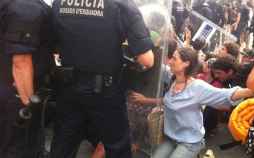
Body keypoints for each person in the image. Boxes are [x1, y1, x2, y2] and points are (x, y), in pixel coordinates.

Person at [50, 0, 155, 158]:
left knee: (63, 144)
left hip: (68, 87)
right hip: (105, 92)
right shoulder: (122, 5)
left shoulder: (59, 3)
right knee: (117, 146)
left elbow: (54, 44)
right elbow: (147, 60)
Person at [129, 47, 254, 158]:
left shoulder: (197, 87)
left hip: (190, 142)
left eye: (174, 59)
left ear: (186, 64)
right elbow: (167, 101)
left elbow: (227, 94)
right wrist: (145, 100)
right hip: (170, 138)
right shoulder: (173, 79)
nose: (170, 61)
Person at [0, 0, 54, 157]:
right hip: (15, 93)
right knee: (18, 148)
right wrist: (29, 105)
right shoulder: (26, 8)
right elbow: (21, 61)